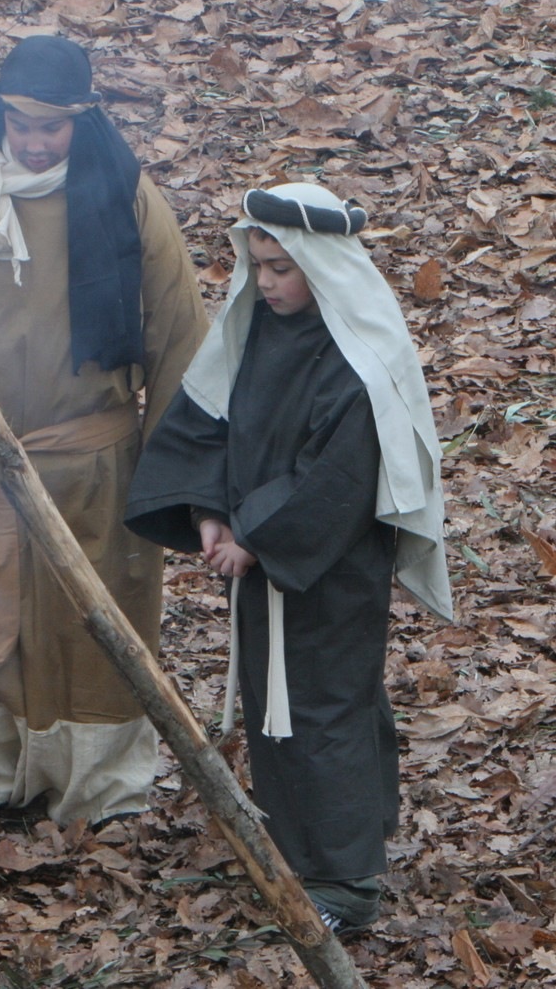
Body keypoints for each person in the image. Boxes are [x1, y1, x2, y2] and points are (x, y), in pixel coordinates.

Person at [0, 35, 208, 830]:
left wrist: (175, 464)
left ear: (82, 121)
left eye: (52, 126)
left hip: (97, 464)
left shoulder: (126, 203)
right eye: (21, 123)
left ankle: (98, 787)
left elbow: (179, 332)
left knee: (96, 630)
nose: (34, 140)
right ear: (2, 117)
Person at [124, 183, 453, 935]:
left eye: (282, 267)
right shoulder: (255, 328)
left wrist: (255, 537)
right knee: (279, 714)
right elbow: (208, 419)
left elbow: (337, 474)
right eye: (258, 264)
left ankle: (348, 880)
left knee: (326, 708)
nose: (265, 282)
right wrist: (209, 512)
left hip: (330, 571)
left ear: (323, 267)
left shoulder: (358, 356)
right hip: (263, 563)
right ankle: (307, 856)